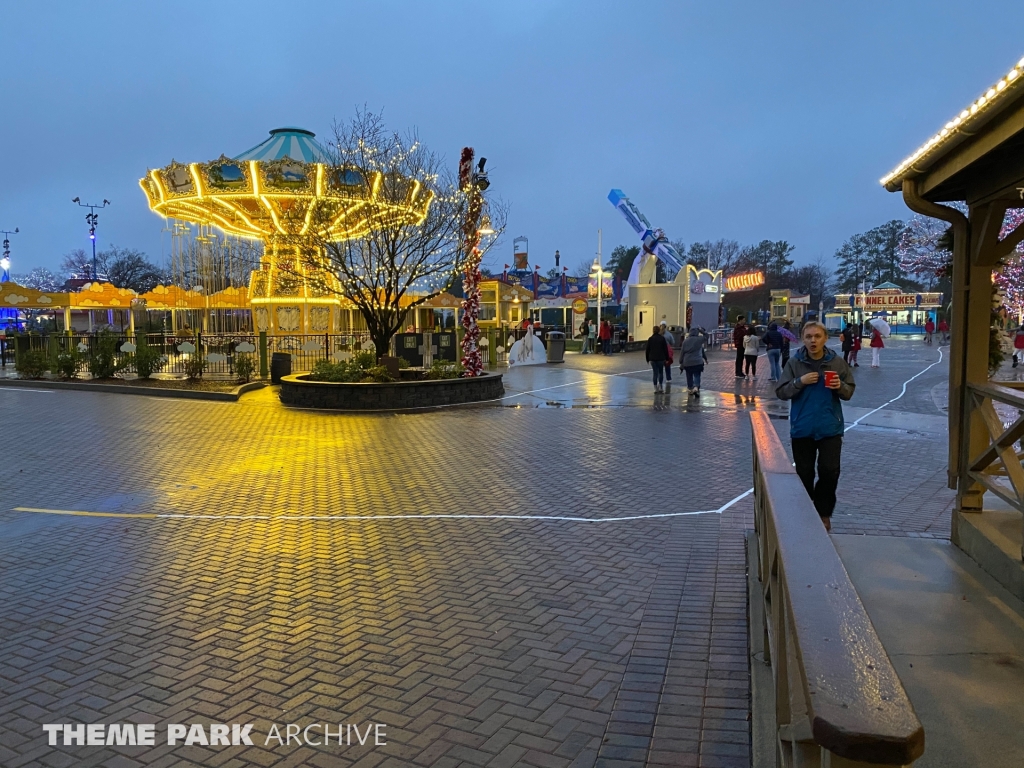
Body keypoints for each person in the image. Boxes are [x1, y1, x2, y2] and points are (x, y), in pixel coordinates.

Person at [775, 321, 855, 532]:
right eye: (809, 336)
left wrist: (840, 386)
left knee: (830, 472)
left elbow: (849, 392)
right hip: (803, 428)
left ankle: (823, 512)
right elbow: (781, 391)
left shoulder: (836, 363)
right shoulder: (795, 362)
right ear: (803, 338)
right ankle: (805, 511)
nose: (813, 340)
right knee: (804, 473)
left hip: (830, 427)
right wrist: (799, 382)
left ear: (825, 338)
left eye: (817, 336)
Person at [681, 327, 707, 397]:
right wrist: (701, 331)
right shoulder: (699, 340)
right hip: (697, 361)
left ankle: (690, 388)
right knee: (697, 375)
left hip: (687, 361)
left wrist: (681, 362)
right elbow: (707, 336)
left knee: (689, 375)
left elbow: (682, 352)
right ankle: (696, 387)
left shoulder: (685, 341)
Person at [646, 325, 669, 392]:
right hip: (661, 358)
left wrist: (647, 358)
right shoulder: (662, 338)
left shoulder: (650, 339)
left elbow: (647, 349)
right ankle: (661, 386)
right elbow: (665, 349)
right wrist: (667, 358)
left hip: (652, 358)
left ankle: (655, 387)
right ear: (659, 330)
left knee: (655, 373)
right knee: (660, 372)